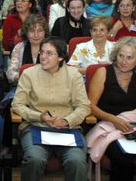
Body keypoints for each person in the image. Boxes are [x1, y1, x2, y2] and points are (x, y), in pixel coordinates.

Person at [12, 37, 91, 181]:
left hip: (68, 129)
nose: (43, 56)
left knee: (77, 161)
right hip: (36, 126)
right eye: (42, 52)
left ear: (60, 57)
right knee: (34, 159)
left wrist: (67, 120)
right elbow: (17, 104)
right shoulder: (30, 74)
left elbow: (84, 106)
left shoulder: (73, 75)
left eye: (49, 53)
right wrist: (40, 116)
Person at [87, 36, 136, 181]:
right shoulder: (103, 73)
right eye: (121, 56)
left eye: (129, 57)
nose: (123, 61)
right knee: (124, 162)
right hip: (108, 125)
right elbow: (90, 105)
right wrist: (113, 119)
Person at [6, 14, 48, 84]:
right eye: (32, 31)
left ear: (45, 32)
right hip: (22, 87)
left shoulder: (51, 48)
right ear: (26, 33)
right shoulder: (19, 48)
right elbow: (10, 74)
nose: (36, 35)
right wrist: (26, 76)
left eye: (40, 31)